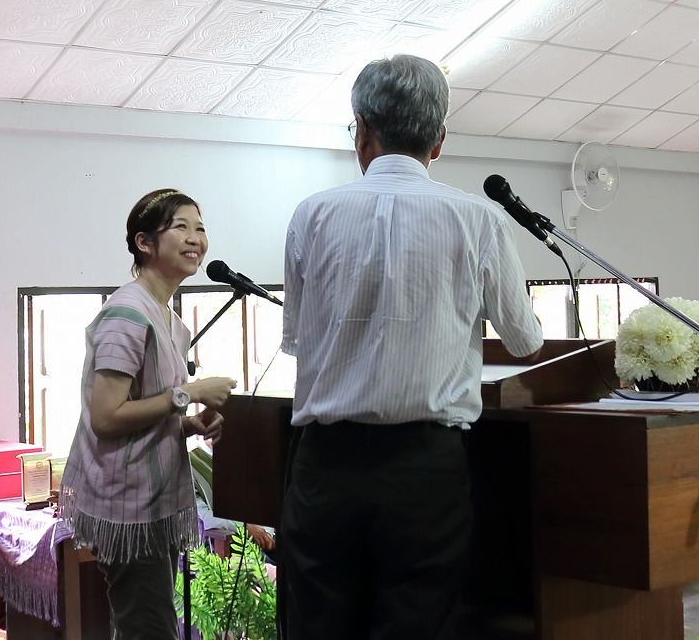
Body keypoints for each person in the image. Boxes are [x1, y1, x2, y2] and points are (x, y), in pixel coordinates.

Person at [278, 55, 544, 640]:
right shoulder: (480, 221)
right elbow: (525, 342)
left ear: (361, 131)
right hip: (425, 471)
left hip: (324, 467)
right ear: (439, 140)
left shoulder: (311, 216)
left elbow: (297, 337)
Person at [59, 189, 238, 640]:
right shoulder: (128, 313)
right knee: (150, 628)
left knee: (144, 625)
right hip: (128, 505)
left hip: (152, 499)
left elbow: (148, 408)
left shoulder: (170, 319)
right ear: (144, 243)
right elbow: (106, 417)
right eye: (180, 227)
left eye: (200, 228)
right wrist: (189, 394)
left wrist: (188, 422)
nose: (195, 237)